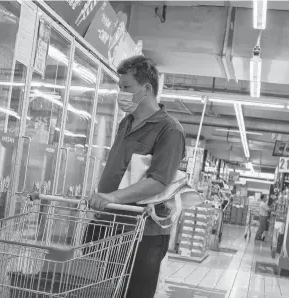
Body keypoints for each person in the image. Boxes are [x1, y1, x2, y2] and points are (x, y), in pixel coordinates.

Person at [84, 55, 185, 298]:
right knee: (99, 290)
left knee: (134, 293)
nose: (121, 93)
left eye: (127, 87)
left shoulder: (169, 130)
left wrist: (112, 196)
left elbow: (157, 181)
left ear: (147, 88)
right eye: (120, 88)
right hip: (110, 224)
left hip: (144, 233)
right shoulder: (125, 123)